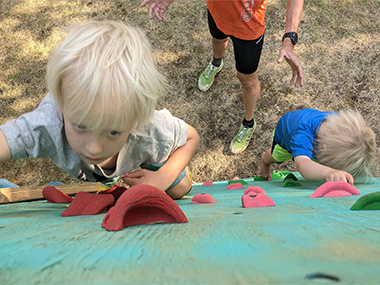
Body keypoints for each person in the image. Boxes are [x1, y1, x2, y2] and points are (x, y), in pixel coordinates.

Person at [0, 20, 199, 200]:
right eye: (80, 126)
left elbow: (191, 137)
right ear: (62, 105)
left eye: (113, 131)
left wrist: (162, 178)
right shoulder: (49, 122)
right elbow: (6, 139)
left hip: (144, 157)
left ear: (133, 121)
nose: (94, 148)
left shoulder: (148, 129)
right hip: (88, 177)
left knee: (180, 188)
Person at [141, 0, 304, 154]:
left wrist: (289, 40)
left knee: (246, 79)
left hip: (248, 28)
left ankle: (249, 123)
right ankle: (216, 63)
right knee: (218, 40)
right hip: (215, 12)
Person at [259, 109, 377, 184]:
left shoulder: (334, 124)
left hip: (306, 122)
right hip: (285, 133)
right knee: (277, 158)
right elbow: (303, 165)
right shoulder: (301, 137)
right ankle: (265, 160)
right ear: (323, 147)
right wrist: (328, 172)